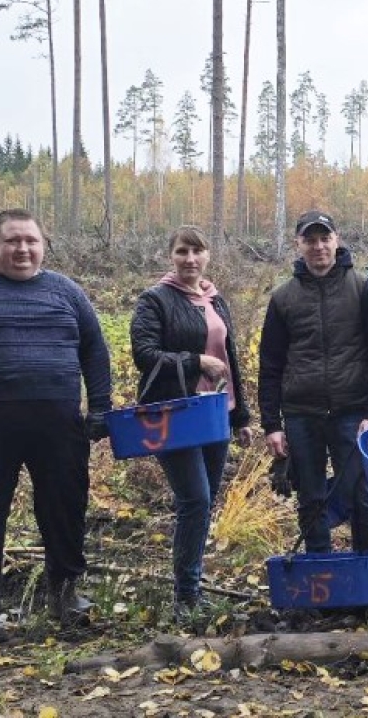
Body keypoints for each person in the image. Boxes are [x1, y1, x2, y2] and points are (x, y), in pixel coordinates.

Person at [0, 209, 111, 647]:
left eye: (31, 241)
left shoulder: (66, 292)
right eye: (12, 241)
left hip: (58, 427)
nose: (22, 249)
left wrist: (99, 409)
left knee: (64, 511)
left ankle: (65, 595)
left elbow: (95, 352)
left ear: (43, 245)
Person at [130, 225, 253, 624]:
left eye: (197, 251)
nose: (190, 259)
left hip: (215, 412)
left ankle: (193, 586)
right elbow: (144, 353)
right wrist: (195, 361)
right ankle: (186, 596)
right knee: (194, 500)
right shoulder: (155, 300)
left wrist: (241, 417)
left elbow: (230, 359)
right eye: (182, 251)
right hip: (175, 415)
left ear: (208, 256)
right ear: (171, 255)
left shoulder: (215, 298)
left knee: (204, 502)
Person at [259, 211, 368, 561]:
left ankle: (367, 575)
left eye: (324, 238)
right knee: (311, 497)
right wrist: (272, 424)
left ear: (337, 240)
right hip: (302, 415)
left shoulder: (364, 288)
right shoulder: (283, 298)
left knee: (361, 495)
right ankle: (319, 573)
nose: (318, 246)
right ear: (299, 244)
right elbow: (270, 364)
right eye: (310, 239)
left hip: (353, 411)